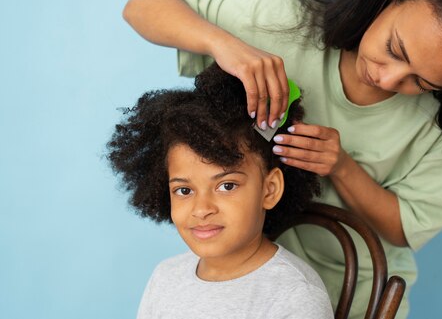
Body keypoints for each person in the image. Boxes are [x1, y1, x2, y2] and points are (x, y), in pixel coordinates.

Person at [122, 0, 442, 318]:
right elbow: (142, 7)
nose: (390, 79)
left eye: (422, 82)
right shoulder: (284, 23)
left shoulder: (441, 123)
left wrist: (341, 166)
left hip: (351, 300)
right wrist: (223, 44)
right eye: (394, 49)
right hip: (238, 283)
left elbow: (404, 227)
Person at [106, 64, 334, 319]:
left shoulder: (295, 296)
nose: (202, 209)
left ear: (269, 189)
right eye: (183, 190)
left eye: (226, 186)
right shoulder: (165, 276)